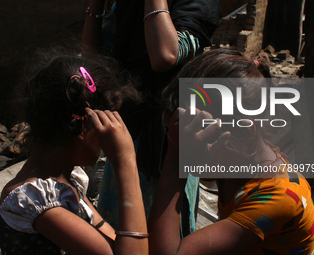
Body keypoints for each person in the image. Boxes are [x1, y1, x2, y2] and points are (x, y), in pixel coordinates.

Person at [148, 49, 314, 255]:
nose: (191, 147)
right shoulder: (240, 162)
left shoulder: (278, 198)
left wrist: (176, 158)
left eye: (198, 139)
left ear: (245, 133)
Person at [81, 0, 222, 233]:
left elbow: (164, 56)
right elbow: (93, 57)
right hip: (127, 133)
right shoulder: (129, 6)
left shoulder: (196, 4)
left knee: (164, 231)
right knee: (122, 229)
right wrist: (95, 5)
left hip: (171, 139)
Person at [0, 51, 148, 255]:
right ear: (83, 129)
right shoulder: (36, 202)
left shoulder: (66, 183)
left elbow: (117, 245)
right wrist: (126, 162)